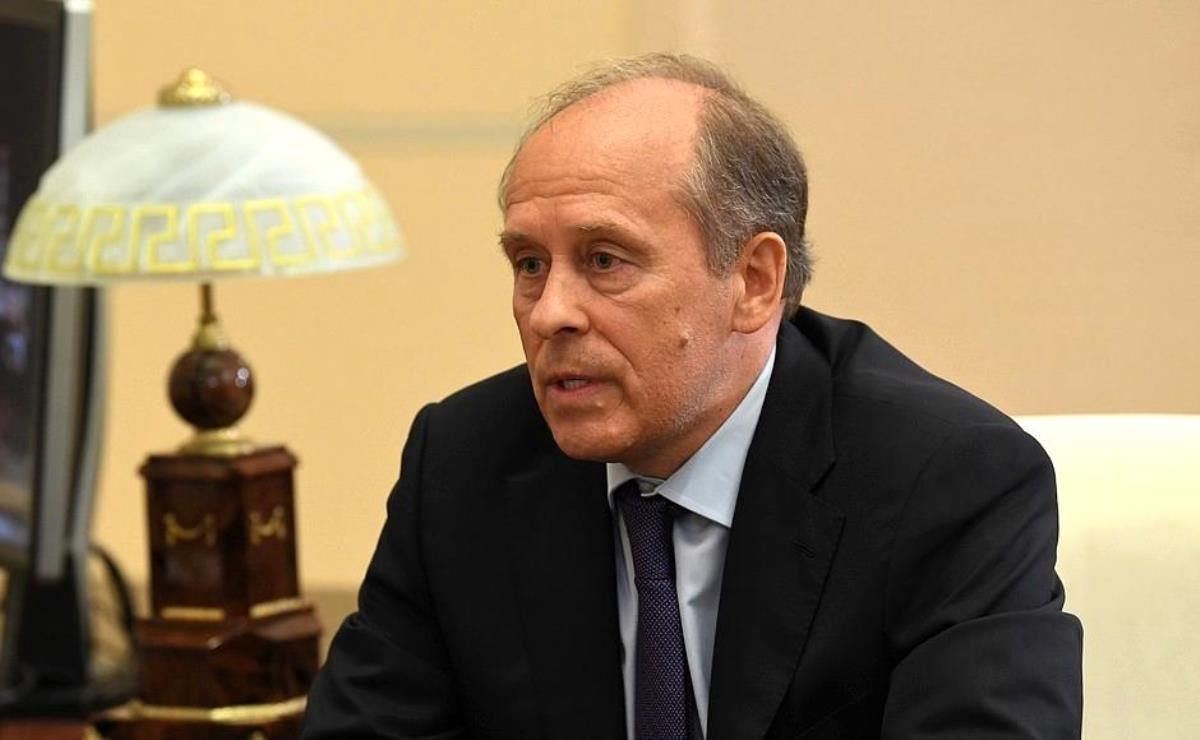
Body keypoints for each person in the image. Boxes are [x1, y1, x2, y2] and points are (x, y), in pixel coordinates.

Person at [302, 53, 1083, 739]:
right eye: (530, 263)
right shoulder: (464, 462)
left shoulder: (945, 479)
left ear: (755, 281)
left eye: (604, 260)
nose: (548, 313)